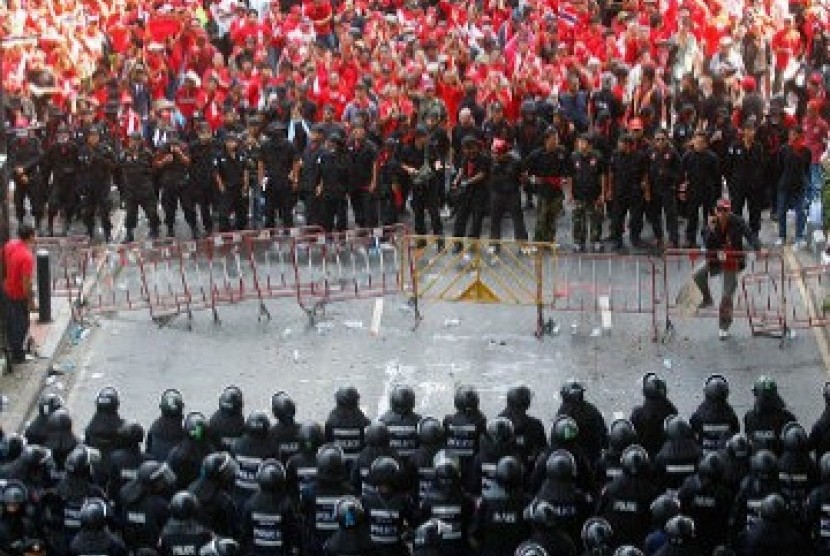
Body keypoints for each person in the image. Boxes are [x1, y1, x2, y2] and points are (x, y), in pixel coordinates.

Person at [692, 198, 761, 339]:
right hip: (716, 260)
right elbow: (706, 244)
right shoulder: (711, 224)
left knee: (726, 295)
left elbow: (750, 235)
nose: (722, 213)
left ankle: (724, 326)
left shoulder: (738, 221)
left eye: (725, 210)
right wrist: (710, 231)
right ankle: (706, 299)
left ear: (729, 211)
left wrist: (758, 248)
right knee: (697, 275)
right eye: (719, 210)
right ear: (716, 211)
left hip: (732, 262)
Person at [3, 223, 35, 365]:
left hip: (7, 289)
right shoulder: (27, 257)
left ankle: (12, 348)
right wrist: (31, 301)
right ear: (31, 236)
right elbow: (26, 283)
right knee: (21, 324)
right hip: (18, 294)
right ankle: (18, 355)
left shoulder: (9, 245)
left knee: (11, 321)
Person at [569, 133, 606, 252]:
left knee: (596, 219)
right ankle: (578, 242)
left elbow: (602, 176)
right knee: (578, 220)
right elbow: (570, 176)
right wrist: (570, 194)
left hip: (594, 194)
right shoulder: (574, 157)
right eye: (579, 142)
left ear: (590, 145)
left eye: (583, 142)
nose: (580, 144)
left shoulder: (598, 157)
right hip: (579, 194)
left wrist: (603, 193)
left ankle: (596, 241)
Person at [775, 125, 812, 247]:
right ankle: (782, 236)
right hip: (784, 186)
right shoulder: (783, 149)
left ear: (800, 135)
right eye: (790, 134)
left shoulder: (806, 151)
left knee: (800, 212)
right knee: (781, 212)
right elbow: (779, 167)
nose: (792, 136)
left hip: (799, 187)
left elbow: (806, 169)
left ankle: (799, 237)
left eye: (794, 134)